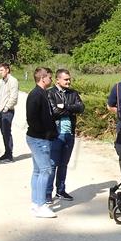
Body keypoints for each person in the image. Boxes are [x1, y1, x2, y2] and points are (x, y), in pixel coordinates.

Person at [46, 69, 85, 202]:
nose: (68, 81)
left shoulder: (73, 93)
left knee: (64, 164)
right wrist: (70, 109)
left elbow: (81, 107)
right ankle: (47, 193)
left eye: (69, 79)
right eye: (66, 79)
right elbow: (55, 111)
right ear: (58, 80)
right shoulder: (50, 93)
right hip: (57, 134)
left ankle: (61, 191)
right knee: (52, 165)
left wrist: (66, 106)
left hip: (70, 134)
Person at [27, 67, 58, 218]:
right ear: (43, 78)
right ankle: (40, 204)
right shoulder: (35, 95)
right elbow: (32, 119)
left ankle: (35, 203)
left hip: (40, 137)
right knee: (46, 170)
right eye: (50, 78)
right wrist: (45, 134)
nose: (51, 80)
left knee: (38, 170)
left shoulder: (42, 93)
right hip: (39, 138)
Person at [0, 63, 19, 162]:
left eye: (2, 70)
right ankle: (6, 152)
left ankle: (9, 155)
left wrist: (6, 107)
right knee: (3, 133)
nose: (0, 72)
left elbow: (14, 97)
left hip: (7, 111)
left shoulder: (13, 81)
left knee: (7, 132)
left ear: (7, 70)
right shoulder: (1, 81)